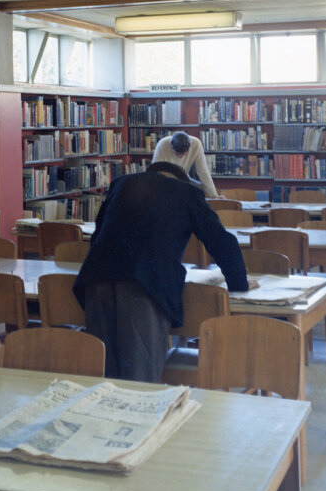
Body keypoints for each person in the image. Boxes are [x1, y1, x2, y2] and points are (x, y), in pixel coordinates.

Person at [73, 162, 257, 383]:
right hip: (144, 285)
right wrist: (240, 283)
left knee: (103, 372)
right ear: (179, 180)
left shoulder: (121, 184)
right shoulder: (187, 192)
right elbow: (221, 241)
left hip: (97, 278)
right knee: (139, 376)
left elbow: (98, 234)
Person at [152, 131, 218, 198]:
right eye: (177, 154)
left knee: (202, 190)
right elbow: (155, 173)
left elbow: (203, 172)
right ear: (171, 147)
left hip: (184, 179)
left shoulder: (196, 144)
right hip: (166, 181)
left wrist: (214, 196)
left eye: (183, 154)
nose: (180, 156)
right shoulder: (162, 144)